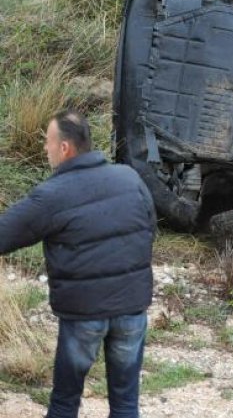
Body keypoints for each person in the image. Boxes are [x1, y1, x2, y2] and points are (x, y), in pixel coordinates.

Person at [0, 110, 156, 418]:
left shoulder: (52, 195)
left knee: (64, 403)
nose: (45, 148)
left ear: (64, 148)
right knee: (126, 405)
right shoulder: (129, 177)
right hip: (132, 308)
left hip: (85, 314)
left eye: (47, 141)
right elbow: (149, 228)